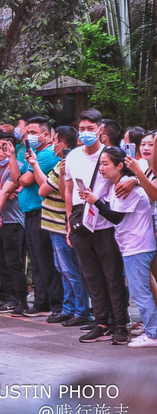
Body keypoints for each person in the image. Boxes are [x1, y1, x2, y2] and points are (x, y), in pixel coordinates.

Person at [80, 147, 157, 347]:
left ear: (120, 166)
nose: (102, 169)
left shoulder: (124, 185)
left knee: (140, 293)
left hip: (137, 246)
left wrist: (95, 202)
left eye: (106, 164)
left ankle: (153, 334)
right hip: (132, 246)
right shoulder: (118, 184)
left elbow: (115, 216)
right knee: (142, 291)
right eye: (101, 164)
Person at [64, 109, 129, 344]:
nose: (86, 133)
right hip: (81, 224)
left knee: (112, 276)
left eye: (91, 129)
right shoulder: (73, 156)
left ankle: (120, 323)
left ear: (101, 129)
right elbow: (68, 190)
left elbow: (128, 175)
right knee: (91, 275)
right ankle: (100, 321)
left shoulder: (109, 154)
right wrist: (69, 222)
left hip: (106, 225)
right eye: (82, 129)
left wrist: (131, 180)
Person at [33, 126, 92, 327]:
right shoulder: (61, 165)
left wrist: (35, 165)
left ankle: (81, 310)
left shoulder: (63, 166)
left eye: (54, 140)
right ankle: (69, 308)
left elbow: (43, 190)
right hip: (53, 225)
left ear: (61, 144)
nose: (52, 145)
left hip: (60, 225)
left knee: (70, 270)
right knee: (63, 269)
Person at [15, 116, 63, 318]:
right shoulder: (34, 153)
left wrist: (21, 177)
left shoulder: (47, 155)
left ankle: (55, 303)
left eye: (33, 133)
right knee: (36, 260)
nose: (29, 136)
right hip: (30, 213)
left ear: (46, 134)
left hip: (42, 212)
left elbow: (25, 179)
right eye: (28, 133)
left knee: (45, 260)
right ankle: (42, 301)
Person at [0, 133, 28, 315]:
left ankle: (20, 299)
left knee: (13, 262)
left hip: (11, 220)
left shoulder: (18, 167)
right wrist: (4, 192)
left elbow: (13, 186)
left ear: (11, 147)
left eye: (2, 147)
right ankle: (7, 297)